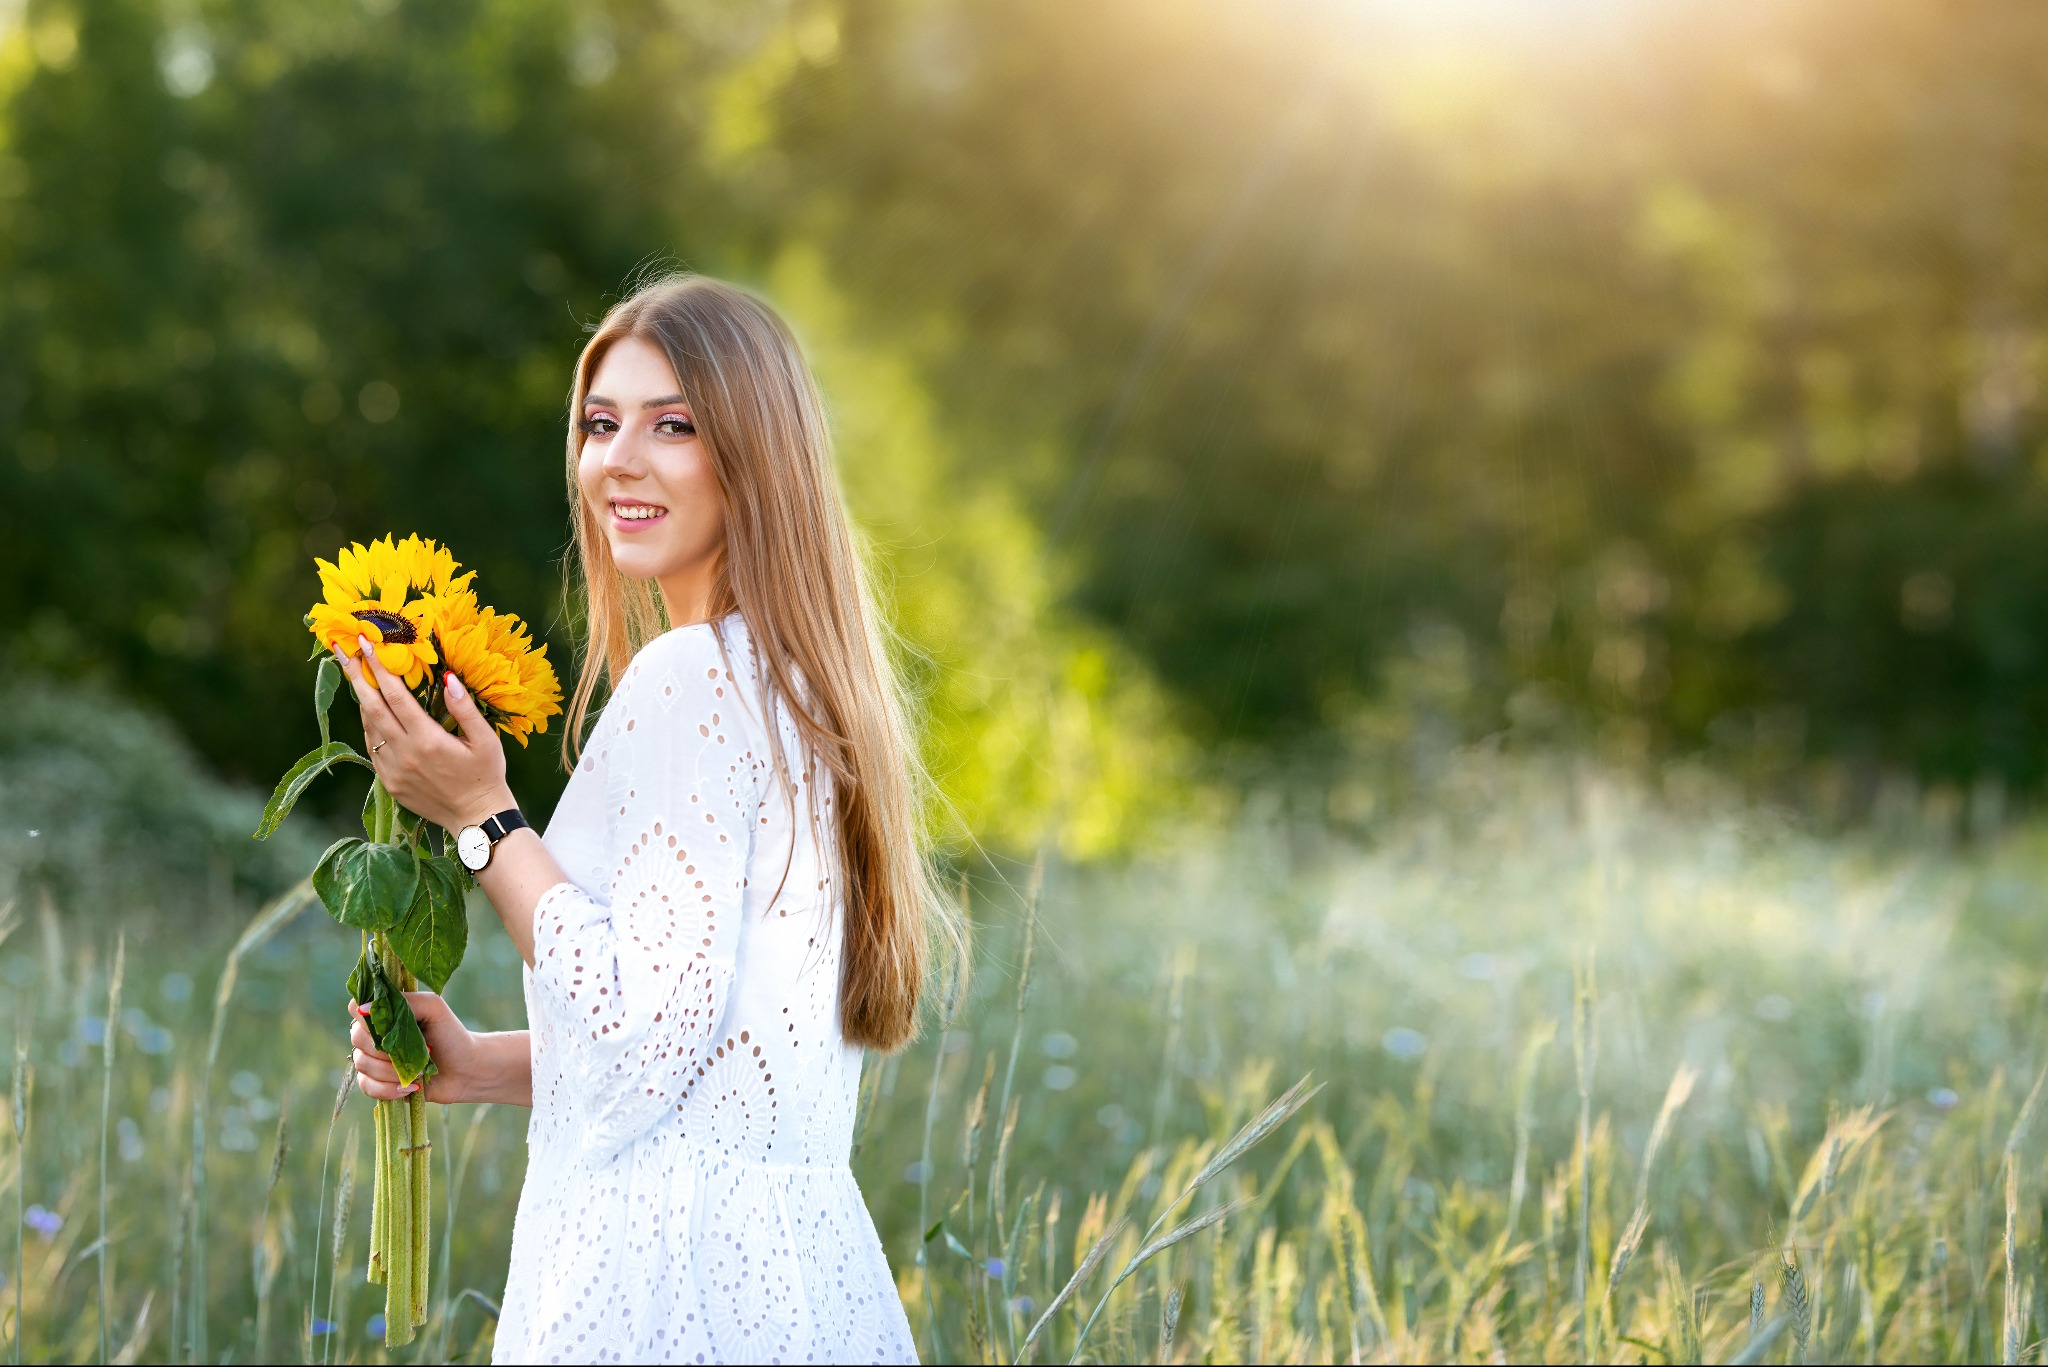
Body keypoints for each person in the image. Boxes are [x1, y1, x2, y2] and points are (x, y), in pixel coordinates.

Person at [332, 273, 939, 1363]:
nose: (620, 457)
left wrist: (483, 818)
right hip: (796, 1282)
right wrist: (488, 1063)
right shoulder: (794, 687)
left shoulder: (691, 678)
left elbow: (641, 1027)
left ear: (754, 455)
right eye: (600, 423)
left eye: (674, 425)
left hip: (662, 1279)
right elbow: (718, 1026)